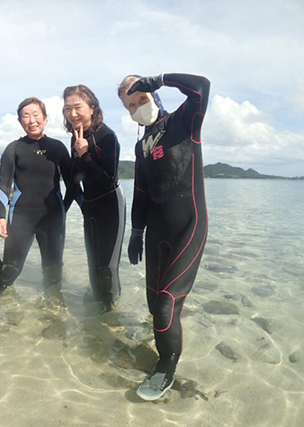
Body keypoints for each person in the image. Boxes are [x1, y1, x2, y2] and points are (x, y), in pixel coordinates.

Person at [117, 73, 210, 400]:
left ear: (154, 96)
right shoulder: (141, 145)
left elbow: (202, 88)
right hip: (156, 230)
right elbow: (141, 192)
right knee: (153, 302)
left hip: (189, 226)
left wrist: (160, 79)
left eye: (141, 99)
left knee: (167, 306)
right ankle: (159, 336)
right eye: (130, 105)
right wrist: (136, 231)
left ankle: (166, 364)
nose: (137, 108)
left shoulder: (183, 121)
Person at [0, 97, 71, 296]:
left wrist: (67, 209)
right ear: (20, 121)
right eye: (26, 116)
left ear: (45, 118)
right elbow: (3, 184)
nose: (32, 120)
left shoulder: (58, 147)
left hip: (52, 219)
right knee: (10, 270)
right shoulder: (13, 148)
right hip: (21, 218)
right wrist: (0, 217)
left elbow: (73, 185)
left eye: (36, 115)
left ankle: (53, 310)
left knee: (53, 273)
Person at [62, 85, 126, 312]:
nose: (72, 113)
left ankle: (111, 315)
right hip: (90, 206)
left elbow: (107, 179)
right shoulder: (76, 138)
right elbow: (74, 180)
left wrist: (85, 154)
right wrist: (62, 210)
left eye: (77, 107)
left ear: (92, 108)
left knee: (107, 267)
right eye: (67, 109)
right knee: (93, 263)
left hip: (110, 204)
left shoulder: (107, 136)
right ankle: (95, 316)